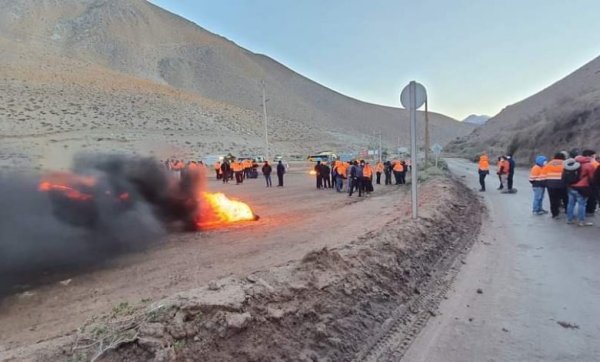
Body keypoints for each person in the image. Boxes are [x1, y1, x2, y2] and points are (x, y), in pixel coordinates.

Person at [565, 156, 594, 226]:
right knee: (582, 205)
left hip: (571, 187)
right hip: (582, 187)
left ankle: (569, 219)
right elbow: (592, 177)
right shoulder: (588, 165)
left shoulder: (571, 165)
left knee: (570, 204)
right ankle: (581, 221)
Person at [543, 152, 568, 219]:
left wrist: (546, 184)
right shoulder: (565, 164)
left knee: (553, 199)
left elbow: (544, 175)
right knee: (565, 198)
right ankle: (567, 211)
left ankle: (555, 214)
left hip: (551, 185)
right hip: (562, 184)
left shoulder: (549, 164)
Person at [582, 150, 598, 216]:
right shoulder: (595, 164)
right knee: (593, 197)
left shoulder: (580, 162)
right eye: (594, 155)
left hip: (583, 183)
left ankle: (586, 210)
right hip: (593, 183)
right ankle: (591, 210)